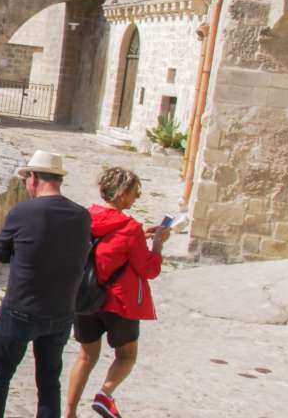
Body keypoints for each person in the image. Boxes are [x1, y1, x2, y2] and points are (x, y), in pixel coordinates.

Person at [0, 151, 91, 418]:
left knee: (0, 374)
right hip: (61, 311)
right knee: (49, 381)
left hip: (21, 307)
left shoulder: (23, 211)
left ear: (33, 178)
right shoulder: (82, 216)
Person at [65, 168, 168, 418]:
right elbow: (149, 269)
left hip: (85, 297)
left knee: (86, 356)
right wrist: (157, 244)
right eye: (135, 193)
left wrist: (139, 238)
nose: (136, 199)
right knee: (127, 356)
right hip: (118, 302)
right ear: (122, 194)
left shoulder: (85, 218)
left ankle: (69, 412)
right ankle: (104, 394)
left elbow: (103, 248)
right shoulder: (130, 228)